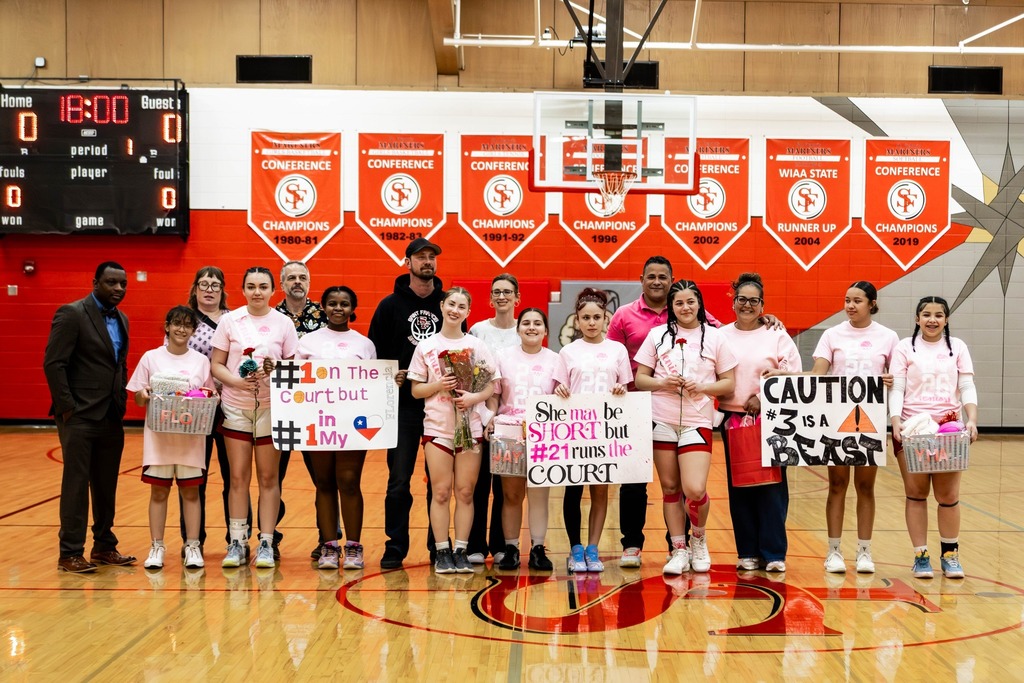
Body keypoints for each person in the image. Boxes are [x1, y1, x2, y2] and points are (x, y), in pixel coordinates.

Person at [634, 280, 737, 575]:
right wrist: (662, 382)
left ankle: (699, 538)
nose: (685, 308)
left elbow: (728, 383)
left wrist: (703, 387)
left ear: (699, 303)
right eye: (678, 303)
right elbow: (641, 379)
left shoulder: (715, 338)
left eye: (690, 302)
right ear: (671, 307)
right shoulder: (656, 336)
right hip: (662, 418)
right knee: (669, 488)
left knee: (694, 488)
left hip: (697, 420)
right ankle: (678, 550)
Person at [43, 261, 137, 573]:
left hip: (111, 415)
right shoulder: (71, 314)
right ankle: (69, 552)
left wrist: (120, 402)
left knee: (106, 484)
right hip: (79, 416)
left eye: (122, 284)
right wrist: (67, 407)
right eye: (111, 283)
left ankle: (104, 546)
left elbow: (118, 364)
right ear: (95, 282)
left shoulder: (122, 318)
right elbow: (54, 363)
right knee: (75, 484)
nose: (119, 289)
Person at [804, 281, 898, 574]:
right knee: (837, 485)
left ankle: (864, 551)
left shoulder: (888, 337)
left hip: (870, 420)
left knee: (866, 486)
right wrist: (785, 375)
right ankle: (833, 551)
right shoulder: (832, 334)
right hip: (836, 418)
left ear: (872, 303)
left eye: (857, 300)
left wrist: (892, 381)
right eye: (847, 300)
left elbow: (897, 377)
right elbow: (817, 375)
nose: (850, 305)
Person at [211, 266, 299, 569]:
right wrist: (235, 381)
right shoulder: (229, 321)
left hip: (272, 409)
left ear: (274, 290)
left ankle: (266, 541)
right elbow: (217, 365)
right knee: (237, 477)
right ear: (243, 289)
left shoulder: (284, 324)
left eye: (263, 286)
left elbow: (294, 368)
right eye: (251, 286)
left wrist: (277, 370)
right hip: (235, 406)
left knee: (268, 477)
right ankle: (237, 542)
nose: (257, 292)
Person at [408, 287, 499, 574]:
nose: (455, 310)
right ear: (442, 306)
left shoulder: (477, 346)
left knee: (465, 492)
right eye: (451, 304)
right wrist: (440, 385)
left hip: (470, 428)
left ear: (468, 312)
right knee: (441, 492)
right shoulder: (426, 346)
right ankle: (442, 550)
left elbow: (490, 385)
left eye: (462, 306)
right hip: (437, 429)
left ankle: (461, 550)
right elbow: (416, 390)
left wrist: (473, 398)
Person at [368, 237, 446, 569]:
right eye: (421, 257)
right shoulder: (389, 306)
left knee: (438, 483)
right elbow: (376, 357)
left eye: (432, 257)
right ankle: (395, 546)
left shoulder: (448, 303)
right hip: (401, 407)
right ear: (408, 262)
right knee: (399, 480)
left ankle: (437, 546)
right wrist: (391, 377)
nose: (427, 262)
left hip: (439, 407)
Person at [889, 296, 979, 579]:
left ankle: (950, 555)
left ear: (946, 319)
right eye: (926, 314)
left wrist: (972, 419)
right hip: (912, 430)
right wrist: (895, 422)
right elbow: (897, 388)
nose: (932, 320)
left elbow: (966, 385)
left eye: (938, 315)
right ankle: (921, 556)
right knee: (916, 494)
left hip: (948, 430)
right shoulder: (905, 347)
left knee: (948, 496)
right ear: (917, 319)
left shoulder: (958, 347)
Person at [718, 273, 802, 573]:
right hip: (734, 420)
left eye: (754, 301)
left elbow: (793, 375)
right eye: (742, 299)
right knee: (740, 487)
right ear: (734, 301)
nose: (747, 305)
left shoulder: (777, 335)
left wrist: (764, 398)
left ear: (762, 304)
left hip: (772, 420)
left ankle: (774, 551)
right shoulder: (721, 335)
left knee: (771, 489)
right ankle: (748, 552)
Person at [127, 306, 215, 570]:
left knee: (191, 493)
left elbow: (208, 394)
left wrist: (204, 397)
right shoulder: (151, 357)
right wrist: (145, 394)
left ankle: (192, 545)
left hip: (190, 438)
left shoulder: (201, 361)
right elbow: (137, 396)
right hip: (159, 437)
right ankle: (157, 546)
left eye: (187, 325)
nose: (181, 329)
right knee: (159, 492)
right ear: (167, 326)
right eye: (176, 324)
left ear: (193, 330)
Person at [294, 286, 376, 571]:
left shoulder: (364, 344)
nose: (338, 308)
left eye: (344, 304)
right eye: (332, 304)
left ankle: (353, 546)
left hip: (353, 424)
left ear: (353, 308)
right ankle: (329, 545)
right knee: (324, 482)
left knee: (350, 481)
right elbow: (294, 384)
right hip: (317, 421)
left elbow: (374, 384)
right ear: (323, 307)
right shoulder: (307, 342)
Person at [555, 288, 631, 573]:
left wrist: (621, 389)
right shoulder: (567, 352)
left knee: (601, 492)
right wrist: (560, 390)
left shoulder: (617, 350)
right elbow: (558, 389)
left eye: (596, 317)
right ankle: (575, 549)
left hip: (606, 434)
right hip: (576, 432)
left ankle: (593, 547)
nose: (591, 322)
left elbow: (625, 386)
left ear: (605, 319)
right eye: (585, 317)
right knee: (573, 491)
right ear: (577, 319)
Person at [606, 255, 673, 568]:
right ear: (642, 280)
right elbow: (609, 357)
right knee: (633, 481)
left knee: (678, 481)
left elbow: (721, 335)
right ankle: (631, 543)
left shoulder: (683, 309)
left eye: (662, 276)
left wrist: (767, 321)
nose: (657, 282)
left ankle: (678, 544)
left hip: (675, 406)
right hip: (633, 406)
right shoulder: (624, 314)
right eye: (651, 276)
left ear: (671, 280)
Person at [485, 307, 559, 571]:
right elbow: (494, 394)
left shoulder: (555, 359)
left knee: (539, 493)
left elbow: (563, 396)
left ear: (545, 330)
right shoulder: (503, 357)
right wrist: (490, 416)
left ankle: (538, 547)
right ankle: (511, 547)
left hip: (543, 432)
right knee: (511, 495)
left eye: (537, 323)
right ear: (518, 330)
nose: (531, 327)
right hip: (509, 431)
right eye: (526, 323)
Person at [178, 266, 237, 557]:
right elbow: (172, 358)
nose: (210, 289)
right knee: (194, 477)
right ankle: (193, 540)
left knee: (234, 477)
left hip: (231, 407)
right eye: (204, 283)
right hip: (195, 409)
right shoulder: (184, 319)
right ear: (195, 288)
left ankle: (236, 539)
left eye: (215, 284)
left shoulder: (235, 319)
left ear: (223, 289)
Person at [467, 273, 522, 565]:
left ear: (517, 298)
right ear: (490, 298)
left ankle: (501, 544)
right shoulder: (477, 331)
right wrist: (487, 416)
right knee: (479, 484)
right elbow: (476, 379)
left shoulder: (522, 330)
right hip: (479, 417)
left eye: (507, 292)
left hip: (511, 423)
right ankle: (475, 543)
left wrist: (500, 418)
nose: (502, 296)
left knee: (505, 485)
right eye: (496, 291)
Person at [275, 260, 328, 559]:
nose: (297, 282)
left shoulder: (325, 313)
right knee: (273, 477)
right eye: (291, 277)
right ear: (281, 284)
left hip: (314, 409)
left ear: (309, 281)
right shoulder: (270, 316)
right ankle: (271, 537)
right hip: (278, 408)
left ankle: (328, 538)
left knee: (321, 478)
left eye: (302, 277)